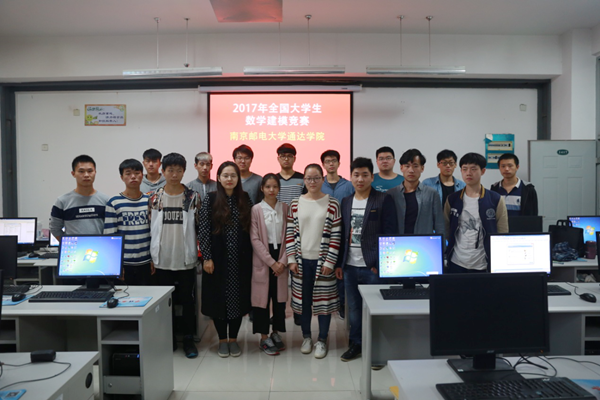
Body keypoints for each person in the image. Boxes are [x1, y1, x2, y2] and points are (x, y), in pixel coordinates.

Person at [336, 157, 397, 362]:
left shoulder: (383, 199)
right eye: (356, 175)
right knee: (354, 308)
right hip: (350, 265)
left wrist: (381, 263)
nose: (360, 179)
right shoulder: (346, 201)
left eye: (364, 175)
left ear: (372, 176)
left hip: (372, 266)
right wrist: (340, 264)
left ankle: (377, 349)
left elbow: (390, 233)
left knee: (377, 309)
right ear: (351, 177)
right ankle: (356, 344)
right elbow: (343, 234)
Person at [148, 153, 201, 359]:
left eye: (179, 170)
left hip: (185, 259)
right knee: (164, 303)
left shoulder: (193, 197)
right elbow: (150, 227)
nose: (174, 174)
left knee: (188, 302)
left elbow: (199, 227)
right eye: (170, 170)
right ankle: (167, 338)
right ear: (163, 171)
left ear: (184, 172)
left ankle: (188, 339)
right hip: (162, 260)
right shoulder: (154, 197)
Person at [286, 164, 341, 359]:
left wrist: (329, 262)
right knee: (304, 303)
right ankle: (307, 337)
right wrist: (291, 258)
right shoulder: (295, 203)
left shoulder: (332, 203)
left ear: (322, 179)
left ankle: (322, 340)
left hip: (323, 262)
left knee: (324, 303)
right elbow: (289, 232)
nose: (312, 182)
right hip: (301, 262)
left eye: (316, 178)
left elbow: (336, 234)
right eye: (309, 178)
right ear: (304, 180)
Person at [199, 161, 253, 358]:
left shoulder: (245, 198)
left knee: (238, 300)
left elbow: (252, 228)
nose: (229, 179)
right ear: (219, 178)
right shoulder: (211, 198)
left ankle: (233, 339)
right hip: (217, 259)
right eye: (225, 175)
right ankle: (222, 339)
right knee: (218, 299)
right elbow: (203, 229)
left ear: (238, 178)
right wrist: (207, 257)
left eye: (233, 175)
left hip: (241, 260)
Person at [444, 152, 508, 273]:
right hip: (457, 261)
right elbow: (446, 227)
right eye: (465, 169)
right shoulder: (452, 199)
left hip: (484, 263)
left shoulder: (495, 199)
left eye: (473, 169)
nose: (468, 173)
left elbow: (502, 231)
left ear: (483, 171)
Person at [250, 174, 289, 355]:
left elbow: (290, 236)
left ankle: (276, 332)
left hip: (281, 257)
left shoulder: (285, 208)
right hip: (263, 259)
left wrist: (282, 261)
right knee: (262, 300)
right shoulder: (256, 209)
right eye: (268, 187)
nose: (271, 190)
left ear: (279, 188)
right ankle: (264, 337)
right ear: (262, 189)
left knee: (279, 300)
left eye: (275, 186)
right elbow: (255, 239)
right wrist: (272, 263)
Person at [103, 159, 151, 285]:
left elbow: (154, 233)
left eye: (137, 173)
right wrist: (116, 265)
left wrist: (153, 259)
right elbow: (109, 236)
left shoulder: (149, 200)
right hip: (124, 264)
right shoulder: (114, 202)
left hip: (146, 263)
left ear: (142, 175)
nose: (133, 176)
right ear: (122, 177)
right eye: (128, 173)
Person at [320, 149, 354, 320]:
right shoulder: (319, 183)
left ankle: (342, 303)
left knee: (340, 268)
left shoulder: (348, 185)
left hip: (343, 233)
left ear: (339, 163)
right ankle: (324, 303)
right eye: (327, 161)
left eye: (334, 160)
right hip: (321, 234)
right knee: (324, 269)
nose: (331, 164)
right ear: (323, 164)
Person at [50, 154, 109, 240]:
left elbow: (111, 229)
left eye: (90, 171)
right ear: (73, 174)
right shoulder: (62, 201)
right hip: (74, 248)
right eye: (81, 171)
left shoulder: (106, 201)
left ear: (95, 172)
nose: (86, 175)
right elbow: (55, 229)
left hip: (100, 247)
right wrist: (69, 244)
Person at [388, 149, 444, 235]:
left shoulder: (431, 194)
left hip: (423, 242)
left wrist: (441, 242)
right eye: (407, 166)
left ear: (422, 168)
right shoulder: (391, 194)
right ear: (401, 168)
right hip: (398, 242)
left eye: (415, 166)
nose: (411, 170)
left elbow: (439, 224)